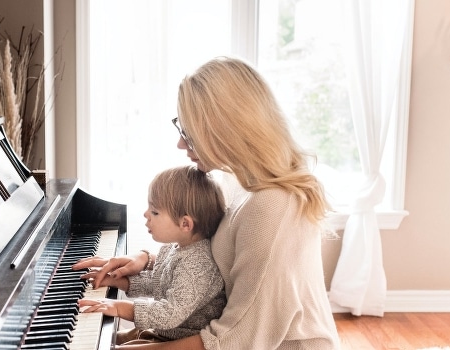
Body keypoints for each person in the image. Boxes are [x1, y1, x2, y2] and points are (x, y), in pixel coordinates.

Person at [74, 56, 341, 349]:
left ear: (225, 129)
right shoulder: (235, 181)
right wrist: (146, 261)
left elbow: (235, 340)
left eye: (188, 132)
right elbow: (206, 260)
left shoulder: (271, 207)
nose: (180, 144)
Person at [77, 165, 227, 345]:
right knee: (96, 340)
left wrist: (119, 307)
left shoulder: (198, 265)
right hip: (166, 332)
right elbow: (158, 283)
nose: (146, 214)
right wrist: (117, 281)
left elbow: (169, 313)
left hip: (179, 339)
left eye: (155, 212)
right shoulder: (175, 247)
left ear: (185, 224)